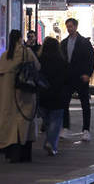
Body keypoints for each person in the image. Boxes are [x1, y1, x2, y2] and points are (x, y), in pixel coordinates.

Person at [0, 30, 39, 163]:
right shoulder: (26, 52)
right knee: (24, 122)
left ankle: (12, 154)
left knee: (10, 124)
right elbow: (37, 67)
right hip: (24, 93)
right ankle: (25, 155)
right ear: (20, 39)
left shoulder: (5, 56)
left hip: (7, 96)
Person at [60, 17, 94, 141]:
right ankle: (66, 127)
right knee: (64, 102)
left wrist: (88, 73)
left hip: (81, 77)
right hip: (67, 77)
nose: (69, 29)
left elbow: (91, 59)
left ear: (76, 27)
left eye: (71, 26)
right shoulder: (64, 42)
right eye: (67, 27)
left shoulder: (84, 42)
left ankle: (86, 130)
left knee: (85, 104)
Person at [38, 37, 71, 156]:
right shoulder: (62, 61)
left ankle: (50, 142)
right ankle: (51, 143)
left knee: (47, 121)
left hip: (43, 95)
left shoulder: (39, 60)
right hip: (58, 96)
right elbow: (67, 79)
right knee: (56, 122)